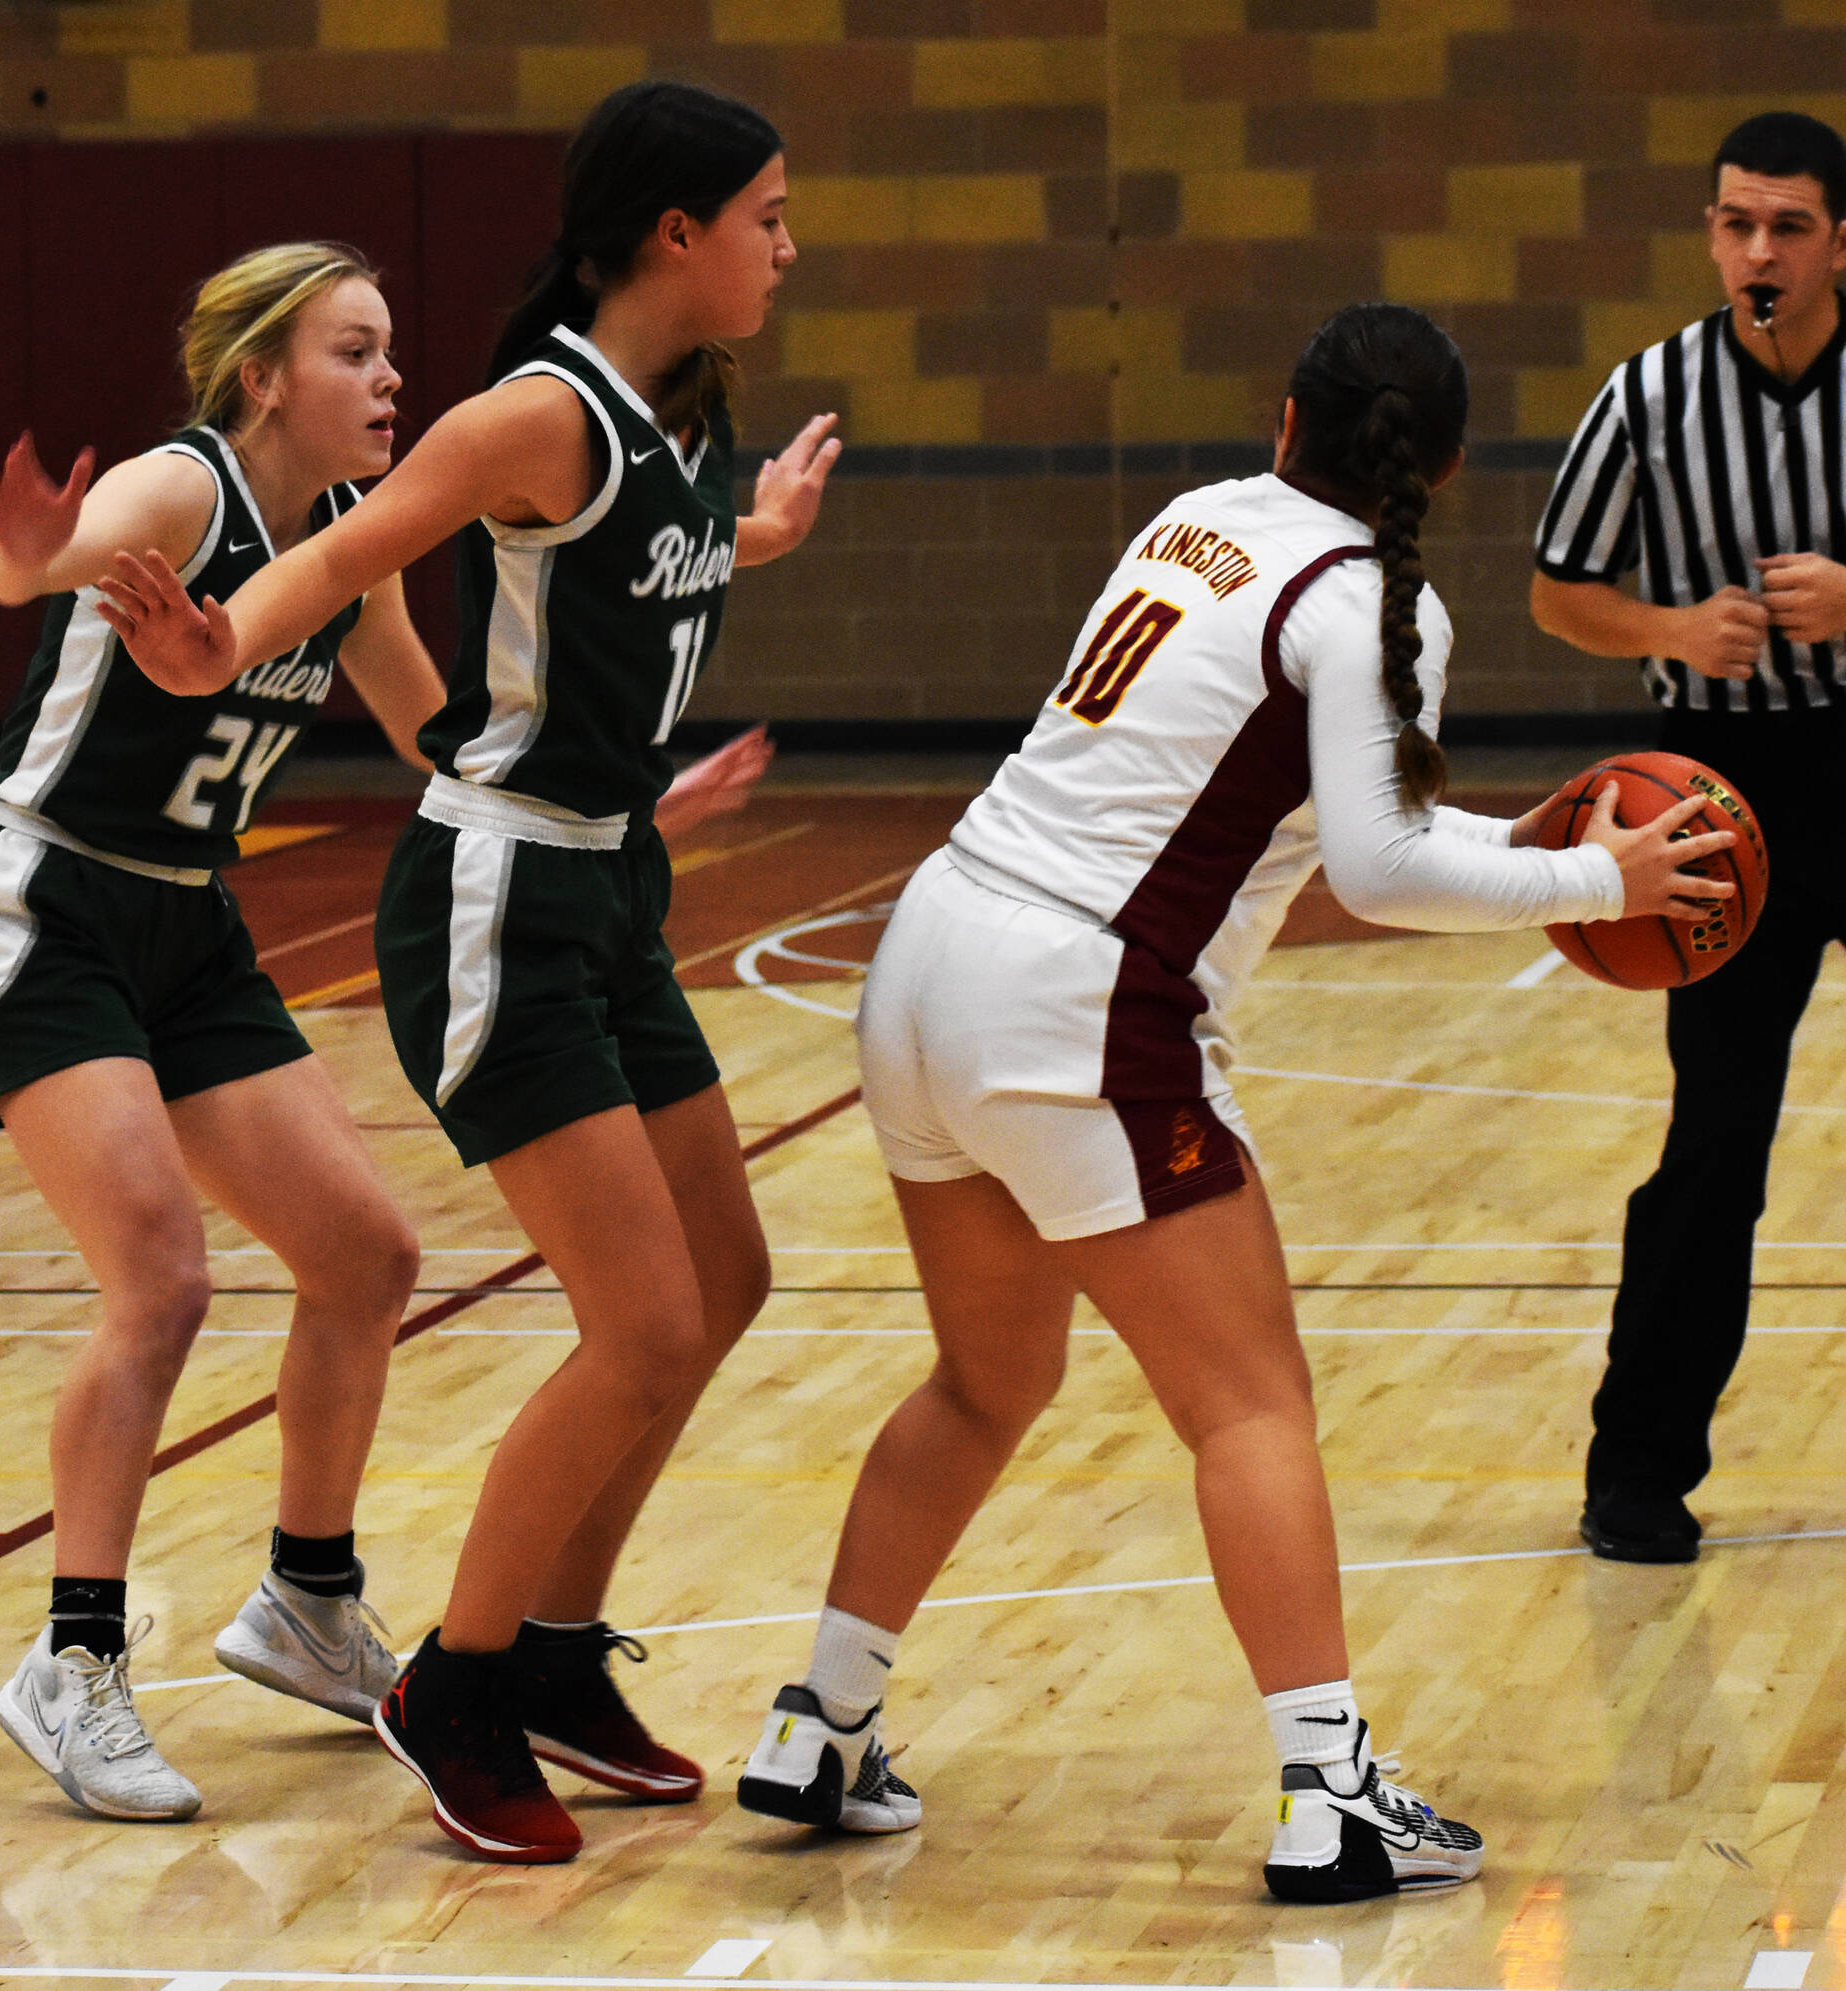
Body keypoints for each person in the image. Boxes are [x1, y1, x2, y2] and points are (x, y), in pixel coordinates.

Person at [733, 303, 1732, 1903]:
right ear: (1451, 469)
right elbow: (1378, 867)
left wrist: (1534, 844)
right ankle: (1332, 1794)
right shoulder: (1376, 609)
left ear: (1285, 424)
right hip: (1080, 1007)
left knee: (987, 1382)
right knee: (1251, 1404)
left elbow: (1329, 804)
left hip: (926, 959)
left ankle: (823, 1719)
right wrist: (1585, 875)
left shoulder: (1197, 518)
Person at [97, 80, 838, 1864]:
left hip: (613, 890)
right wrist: (218, 642)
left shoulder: (681, 417)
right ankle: (461, 1681)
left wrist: (763, 543)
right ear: (675, 231)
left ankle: (565, 1651)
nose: (789, 247)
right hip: (498, 896)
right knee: (642, 1319)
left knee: (724, 1278)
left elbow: (646, 554)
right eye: (768, 215)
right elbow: (362, 547)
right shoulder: (536, 410)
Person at [0, 242, 446, 1821]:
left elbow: (435, 731)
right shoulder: (181, 488)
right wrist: (25, 555)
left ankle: (306, 1601)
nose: (388, 382)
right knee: (159, 1275)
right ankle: (72, 1660)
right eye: (356, 355)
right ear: (264, 379)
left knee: (366, 1256)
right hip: (53, 903)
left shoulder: (352, 542)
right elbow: (36, 566)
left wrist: (603, 782)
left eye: (390, 355)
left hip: (191, 924)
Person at [1531, 111, 1846, 1565]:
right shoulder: (1650, 395)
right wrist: (1670, 630)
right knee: (1716, 1136)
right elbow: (1558, 589)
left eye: (1785, 225)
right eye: (1735, 224)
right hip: (1725, 791)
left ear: (1840, 240)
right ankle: (1637, 1470)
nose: (1757, 252)